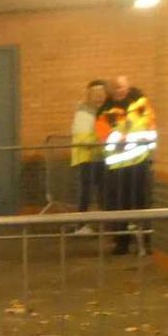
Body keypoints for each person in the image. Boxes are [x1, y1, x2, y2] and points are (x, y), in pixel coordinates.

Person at [97, 74, 156, 255]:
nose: (119, 91)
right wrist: (117, 138)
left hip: (140, 163)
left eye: (122, 86)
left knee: (142, 204)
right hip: (118, 167)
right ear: (111, 90)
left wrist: (128, 139)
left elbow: (151, 126)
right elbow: (103, 134)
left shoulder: (140, 103)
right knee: (119, 205)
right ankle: (121, 242)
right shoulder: (105, 111)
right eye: (116, 88)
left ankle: (145, 242)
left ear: (128, 86)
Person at [70, 78, 108, 231]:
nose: (99, 96)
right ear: (89, 94)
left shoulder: (104, 111)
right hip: (87, 158)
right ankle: (81, 225)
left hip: (101, 157)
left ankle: (105, 223)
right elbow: (82, 137)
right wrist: (102, 140)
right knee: (86, 193)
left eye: (102, 93)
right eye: (95, 93)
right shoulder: (84, 113)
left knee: (103, 192)